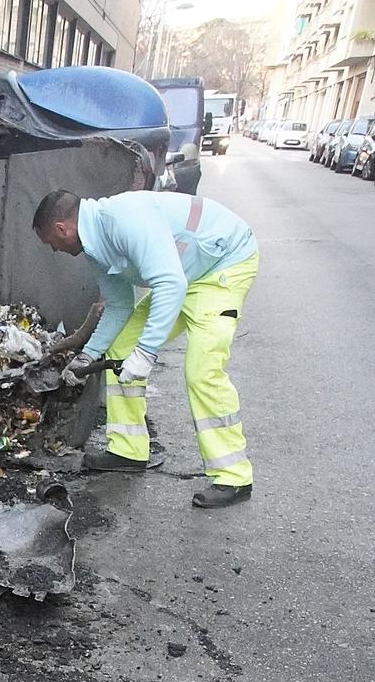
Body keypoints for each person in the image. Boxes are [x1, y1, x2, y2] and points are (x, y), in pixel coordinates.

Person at [31, 186, 257, 508]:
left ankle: (233, 476)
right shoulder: (95, 247)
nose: (53, 250)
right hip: (186, 273)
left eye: (50, 243)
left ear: (61, 229)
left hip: (223, 266)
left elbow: (170, 283)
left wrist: (147, 353)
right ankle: (128, 449)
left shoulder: (124, 219)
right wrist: (87, 356)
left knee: (201, 370)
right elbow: (120, 306)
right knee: (122, 345)